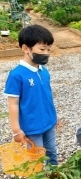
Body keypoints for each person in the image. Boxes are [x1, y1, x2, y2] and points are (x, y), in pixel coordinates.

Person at [4, 25, 58, 165]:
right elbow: (13, 103)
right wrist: (16, 130)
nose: (46, 53)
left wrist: (53, 117)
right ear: (25, 48)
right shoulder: (16, 75)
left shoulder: (43, 71)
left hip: (48, 122)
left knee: (51, 151)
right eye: (41, 49)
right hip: (31, 127)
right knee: (36, 158)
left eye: (48, 49)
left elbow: (47, 96)